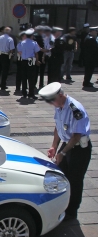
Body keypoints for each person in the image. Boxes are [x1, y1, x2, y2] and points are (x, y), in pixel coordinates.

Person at [39, 82, 92, 221]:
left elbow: (76, 136)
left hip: (79, 148)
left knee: (75, 180)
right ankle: (61, 204)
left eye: (52, 100)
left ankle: (72, 211)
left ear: (61, 95)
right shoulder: (59, 106)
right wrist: (54, 147)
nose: (51, 104)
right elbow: (58, 127)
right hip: (67, 143)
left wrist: (62, 154)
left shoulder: (76, 109)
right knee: (60, 174)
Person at [18, 28, 41, 99]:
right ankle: (31, 93)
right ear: (32, 36)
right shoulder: (34, 43)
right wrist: (37, 61)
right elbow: (36, 53)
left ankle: (24, 93)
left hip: (23, 61)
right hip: (31, 61)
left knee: (24, 77)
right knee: (31, 78)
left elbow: (19, 52)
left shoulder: (21, 43)